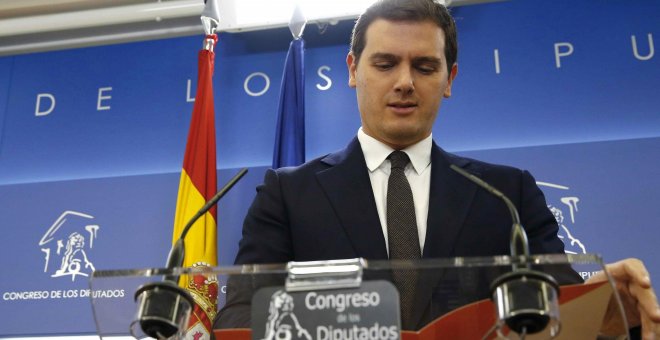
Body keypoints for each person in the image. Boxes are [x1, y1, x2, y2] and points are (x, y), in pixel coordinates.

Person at [216, 0, 660, 337]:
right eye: (385, 63)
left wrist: (603, 305)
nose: (405, 81)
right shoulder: (289, 194)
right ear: (353, 70)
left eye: (425, 66)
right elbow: (239, 315)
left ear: (450, 79)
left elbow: (559, 308)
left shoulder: (507, 194)